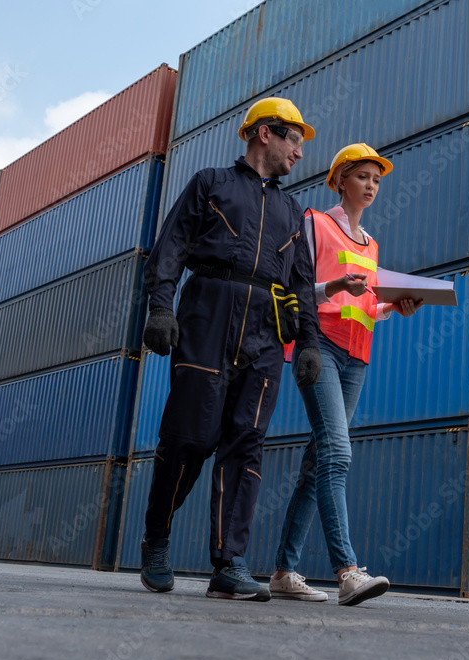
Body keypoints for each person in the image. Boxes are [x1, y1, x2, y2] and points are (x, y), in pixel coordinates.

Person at [138, 97, 324, 602]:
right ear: (265, 133)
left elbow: (303, 284)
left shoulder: (291, 210)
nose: (300, 153)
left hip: (266, 332)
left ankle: (229, 563)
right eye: (295, 140)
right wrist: (160, 308)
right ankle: (157, 537)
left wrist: (308, 342)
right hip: (207, 315)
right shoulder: (210, 184)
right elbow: (170, 248)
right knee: (190, 437)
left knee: (246, 445)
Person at [268, 143, 422, 606]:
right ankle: (348, 571)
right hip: (320, 350)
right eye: (362, 177)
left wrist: (395, 304)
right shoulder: (314, 223)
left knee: (317, 465)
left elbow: (364, 303)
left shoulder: (371, 244)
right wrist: (335, 285)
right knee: (337, 452)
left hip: (357, 358)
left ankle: (282, 572)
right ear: (340, 180)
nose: (372, 186)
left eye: (377, 179)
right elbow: (296, 288)